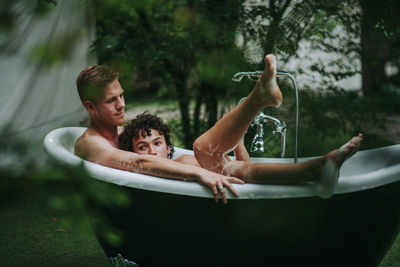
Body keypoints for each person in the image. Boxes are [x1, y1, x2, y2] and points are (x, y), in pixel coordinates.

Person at [118, 54, 363, 200]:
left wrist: (237, 141)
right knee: (203, 149)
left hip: (232, 185)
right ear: (133, 153)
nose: (151, 152)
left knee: (218, 158)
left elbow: (242, 168)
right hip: (222, 192)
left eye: (157, 143)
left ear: (168, 146)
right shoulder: (162, 168)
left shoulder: (181, 161)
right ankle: (256, 99)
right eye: (142, 146)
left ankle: (319, 168)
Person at [74, 62, 244, 204]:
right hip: (139, 208)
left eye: (121, 96)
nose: (121, 105)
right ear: (91, 107)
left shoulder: (125, 133)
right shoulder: (91, 144)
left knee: (195, 158)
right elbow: (139, 162)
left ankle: (242, 128)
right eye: (111, 100)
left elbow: (158, 157)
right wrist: (201, 173)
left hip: (156, 201)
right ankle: (249, 107)